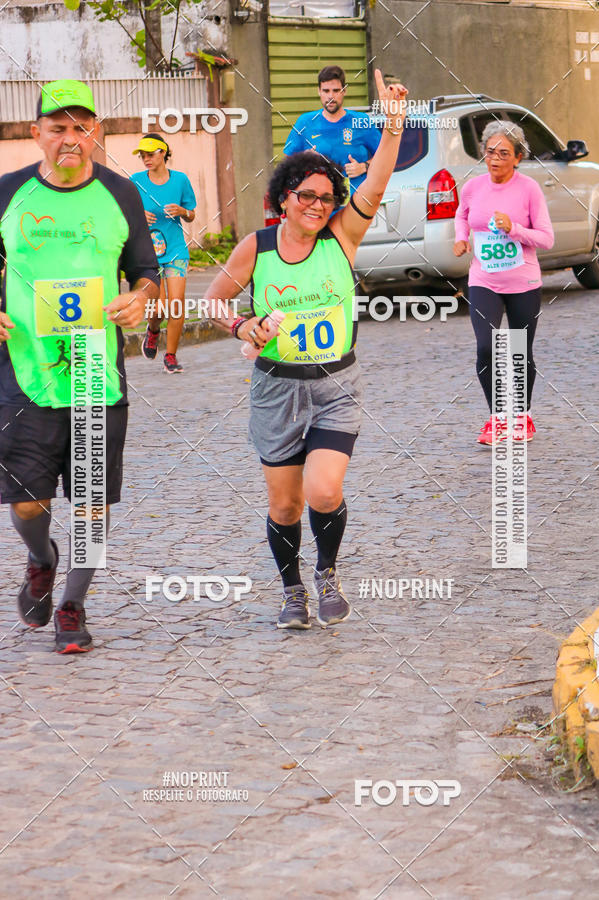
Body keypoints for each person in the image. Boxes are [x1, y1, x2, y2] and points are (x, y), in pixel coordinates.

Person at [206, 69, 407, 629]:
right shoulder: (257, 247)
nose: (319, 205)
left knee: (324, 489)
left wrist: (391, 130)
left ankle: (326, 573)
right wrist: (243, 326)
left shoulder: (343, 235)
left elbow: (376, 184)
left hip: (336, 384)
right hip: (275, 389)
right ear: (284, 198)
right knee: (285, 505)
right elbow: (212, 303)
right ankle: (292, 590)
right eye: (307, 196)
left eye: (327, 197)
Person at [0, 79, 159, 652]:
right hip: (23, 374)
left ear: (99, 133)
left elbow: (146, 269)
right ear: (37, 132)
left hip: (95, 373)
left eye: (83, 127)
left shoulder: (120, 193)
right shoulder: (7, 192)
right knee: (26, 503)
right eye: (59, 127)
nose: (71, 137)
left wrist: (140, 296)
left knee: (92, 503)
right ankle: (41, 559)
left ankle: (72, 604)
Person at [454, 121, 554, 445]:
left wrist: (514, 229)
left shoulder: (529, 190)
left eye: (503, 153)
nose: (495, 158)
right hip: (484, 280)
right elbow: (461, 214)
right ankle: (497, 418)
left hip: (524, 281)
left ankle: (522, 415)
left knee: (519, 352)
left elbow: (547, 239)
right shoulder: (473, 187)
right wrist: (461, 238)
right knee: (486, 348)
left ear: (518, 157)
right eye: (490, 151)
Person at [131, 134, 196, 374]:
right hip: (148, 253)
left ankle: (171, 356)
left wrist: (182, 211)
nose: (146, 159)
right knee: (158, 309)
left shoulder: (180, 180)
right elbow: (124, 215)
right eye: (143, 155)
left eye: (150, 154)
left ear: (163, 153)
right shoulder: (135, 181)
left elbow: (191, 214)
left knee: (176, 305)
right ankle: (153, 330)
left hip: (176, 251)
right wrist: (137, 216)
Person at [284, 64, 381, 196]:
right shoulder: (305, 122)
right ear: (319, 91)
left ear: (344, 91)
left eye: (336, 91)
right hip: (318, 207)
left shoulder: (361, 121)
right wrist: (303, 159)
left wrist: (364, 166)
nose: (331, 96)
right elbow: (287, 164)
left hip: (356, 207)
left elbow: (384, 156)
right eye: (326, 91)